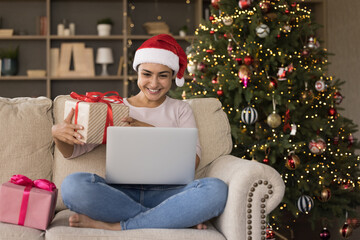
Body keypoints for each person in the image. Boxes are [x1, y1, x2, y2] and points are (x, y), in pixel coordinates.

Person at [52, 34, 228, 231]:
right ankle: (171, 217)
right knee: (72, 186)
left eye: (163, 75)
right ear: (137, 73)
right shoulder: (115, 108)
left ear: (172, 77)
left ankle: (119, 226)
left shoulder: (181, 109)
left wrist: (150, 131)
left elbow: (192, 162)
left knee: (216, 189)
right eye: (147, 74)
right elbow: (72, 152)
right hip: (121, 193)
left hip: (168, 192)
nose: (154, 84)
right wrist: (58, 134)